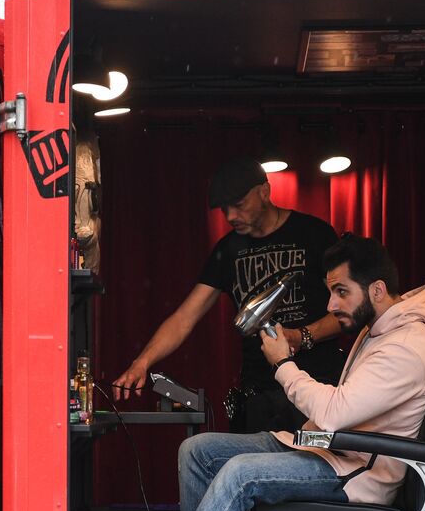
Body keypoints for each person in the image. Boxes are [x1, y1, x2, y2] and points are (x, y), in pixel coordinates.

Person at [85, 235, 425, 511]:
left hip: (357, 473)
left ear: (377, 289)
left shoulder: (407, 347)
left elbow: (334, 412)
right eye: (331, 292)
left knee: (241, 473)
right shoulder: (380, 329)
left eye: (341, 292)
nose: (331, 305)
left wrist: (283, 365)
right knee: (198, 450)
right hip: (330, 452)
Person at [112, 155, 345, 436]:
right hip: (260, 396)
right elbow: (185, 317)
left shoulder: (313, 234)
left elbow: (349, 311)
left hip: (317, 389)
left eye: (239, 205)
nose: (231, 216)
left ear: (264, 192)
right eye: (225, 209)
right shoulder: (228, 250)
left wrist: (302, 336)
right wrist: (143, 362)